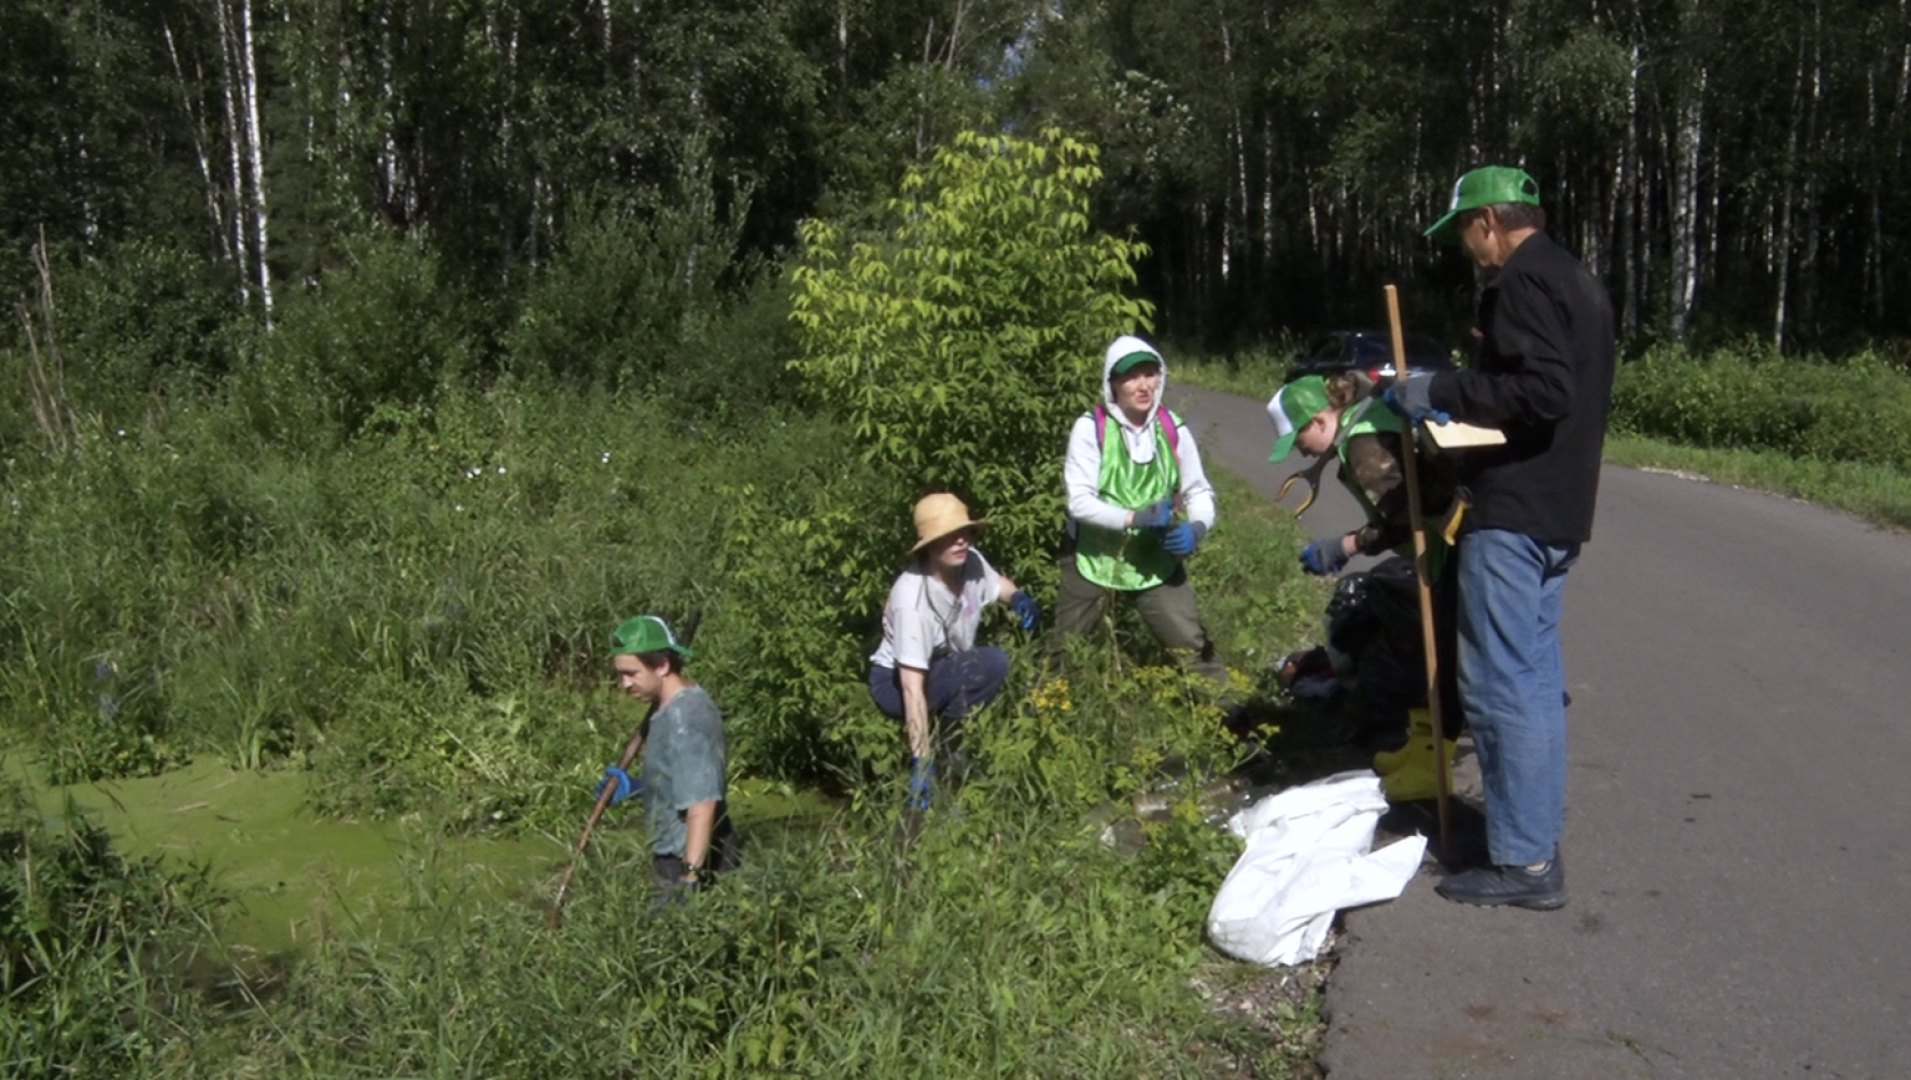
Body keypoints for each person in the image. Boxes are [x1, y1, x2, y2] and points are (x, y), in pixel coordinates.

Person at [1388, 165, 1616, 910]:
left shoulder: (1520, 281)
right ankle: (1530, 840)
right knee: (1535, 687)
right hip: (1557, 508)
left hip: (1514, 512)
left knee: (1499, 689)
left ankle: (1521, 862)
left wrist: (1438, 389)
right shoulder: (1577, 279)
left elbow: (1544, 392)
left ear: (1488, 221)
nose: (1464, 248)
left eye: (1462, 231)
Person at [1267, 371, 1461, 763]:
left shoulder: (1361, 443)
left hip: (1451, 544)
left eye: (1299, 440)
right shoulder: (1370, 415)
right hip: (1457, 539)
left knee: (1433, 645)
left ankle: (1419, 749)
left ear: (1320, 420)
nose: (1301, 453)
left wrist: (1348, 544)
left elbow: (1407, 512)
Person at [1050, 335, 1227, 689]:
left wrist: (1197, 528)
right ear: (1112, 383)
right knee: (1063, 654)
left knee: (1194, 650)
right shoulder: (1091, 428)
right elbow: (1079, 501)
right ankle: (1046, 722)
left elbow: (1198, 490)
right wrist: (1133, 518)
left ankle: (1234, 726)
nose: (1143, 385)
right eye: (1131, 377)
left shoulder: (1172, 428)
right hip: (1093, 559)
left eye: (1150, 374)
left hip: (1154, 560)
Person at [869, 493, 1040, 809]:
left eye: (966, 533)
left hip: (944, 666)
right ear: (930, 546)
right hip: (895, 682)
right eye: (950, 537)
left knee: (988, 665)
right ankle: (943, 756)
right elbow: (911, 687)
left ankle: (952, 748)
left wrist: (1018, 598)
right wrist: (921, 761)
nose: (961, 542)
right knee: (986, 664)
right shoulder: (913, 601)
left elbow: (995, 583)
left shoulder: (970, 562)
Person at [605, 614, 732, 897]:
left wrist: (690, 877)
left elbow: (702, 804)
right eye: (620, 674)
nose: (624, 684)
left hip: (690, 859)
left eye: (631, 674)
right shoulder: (665, 709)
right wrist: (638, 787)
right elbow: (679, 779)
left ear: (662, 665)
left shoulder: (688, 717)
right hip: (669, 856)